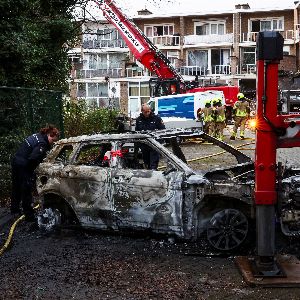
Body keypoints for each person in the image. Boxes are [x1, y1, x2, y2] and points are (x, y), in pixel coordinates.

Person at [10, 125, 60, 221]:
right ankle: (29, 215)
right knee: (26, 189)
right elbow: (33, 158)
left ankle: (14, 210)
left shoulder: (38, 135)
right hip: (23, 165)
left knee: (16, 186)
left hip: (16, 161)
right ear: (49, 135)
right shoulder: (42, 143)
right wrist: (31, 173)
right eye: (53, 140)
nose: (52, 143)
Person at [135, 104, 165, 170]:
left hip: (154, 145)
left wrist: (160, 143)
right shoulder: (139, 120)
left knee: (153, 164)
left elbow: (162, 130)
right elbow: (137, 132)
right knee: (146, 162)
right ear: (142, 111)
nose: (147, 113)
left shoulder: (156, 118)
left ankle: (153, 172)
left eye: (148, 111)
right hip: (144, 145)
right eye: (145, 112)